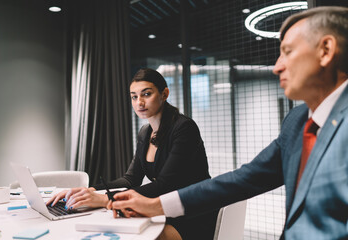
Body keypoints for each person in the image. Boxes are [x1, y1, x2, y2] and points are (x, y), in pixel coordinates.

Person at [111, 6, 348, 239]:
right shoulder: (297, 121)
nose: (277, 66)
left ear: (325, 50)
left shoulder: (182, 127)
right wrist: (156, 205)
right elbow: (244, 180)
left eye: (287, 51)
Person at [47, 68, 217, 240]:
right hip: (162, 210)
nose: (139, 103)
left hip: (192, 215)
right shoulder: (145, 132)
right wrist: (87, 191)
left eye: (146, 94)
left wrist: (106, 199)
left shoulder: (184, 128)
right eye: (134, 97)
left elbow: (166, 185)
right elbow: (129, 179)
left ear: (164, 94)